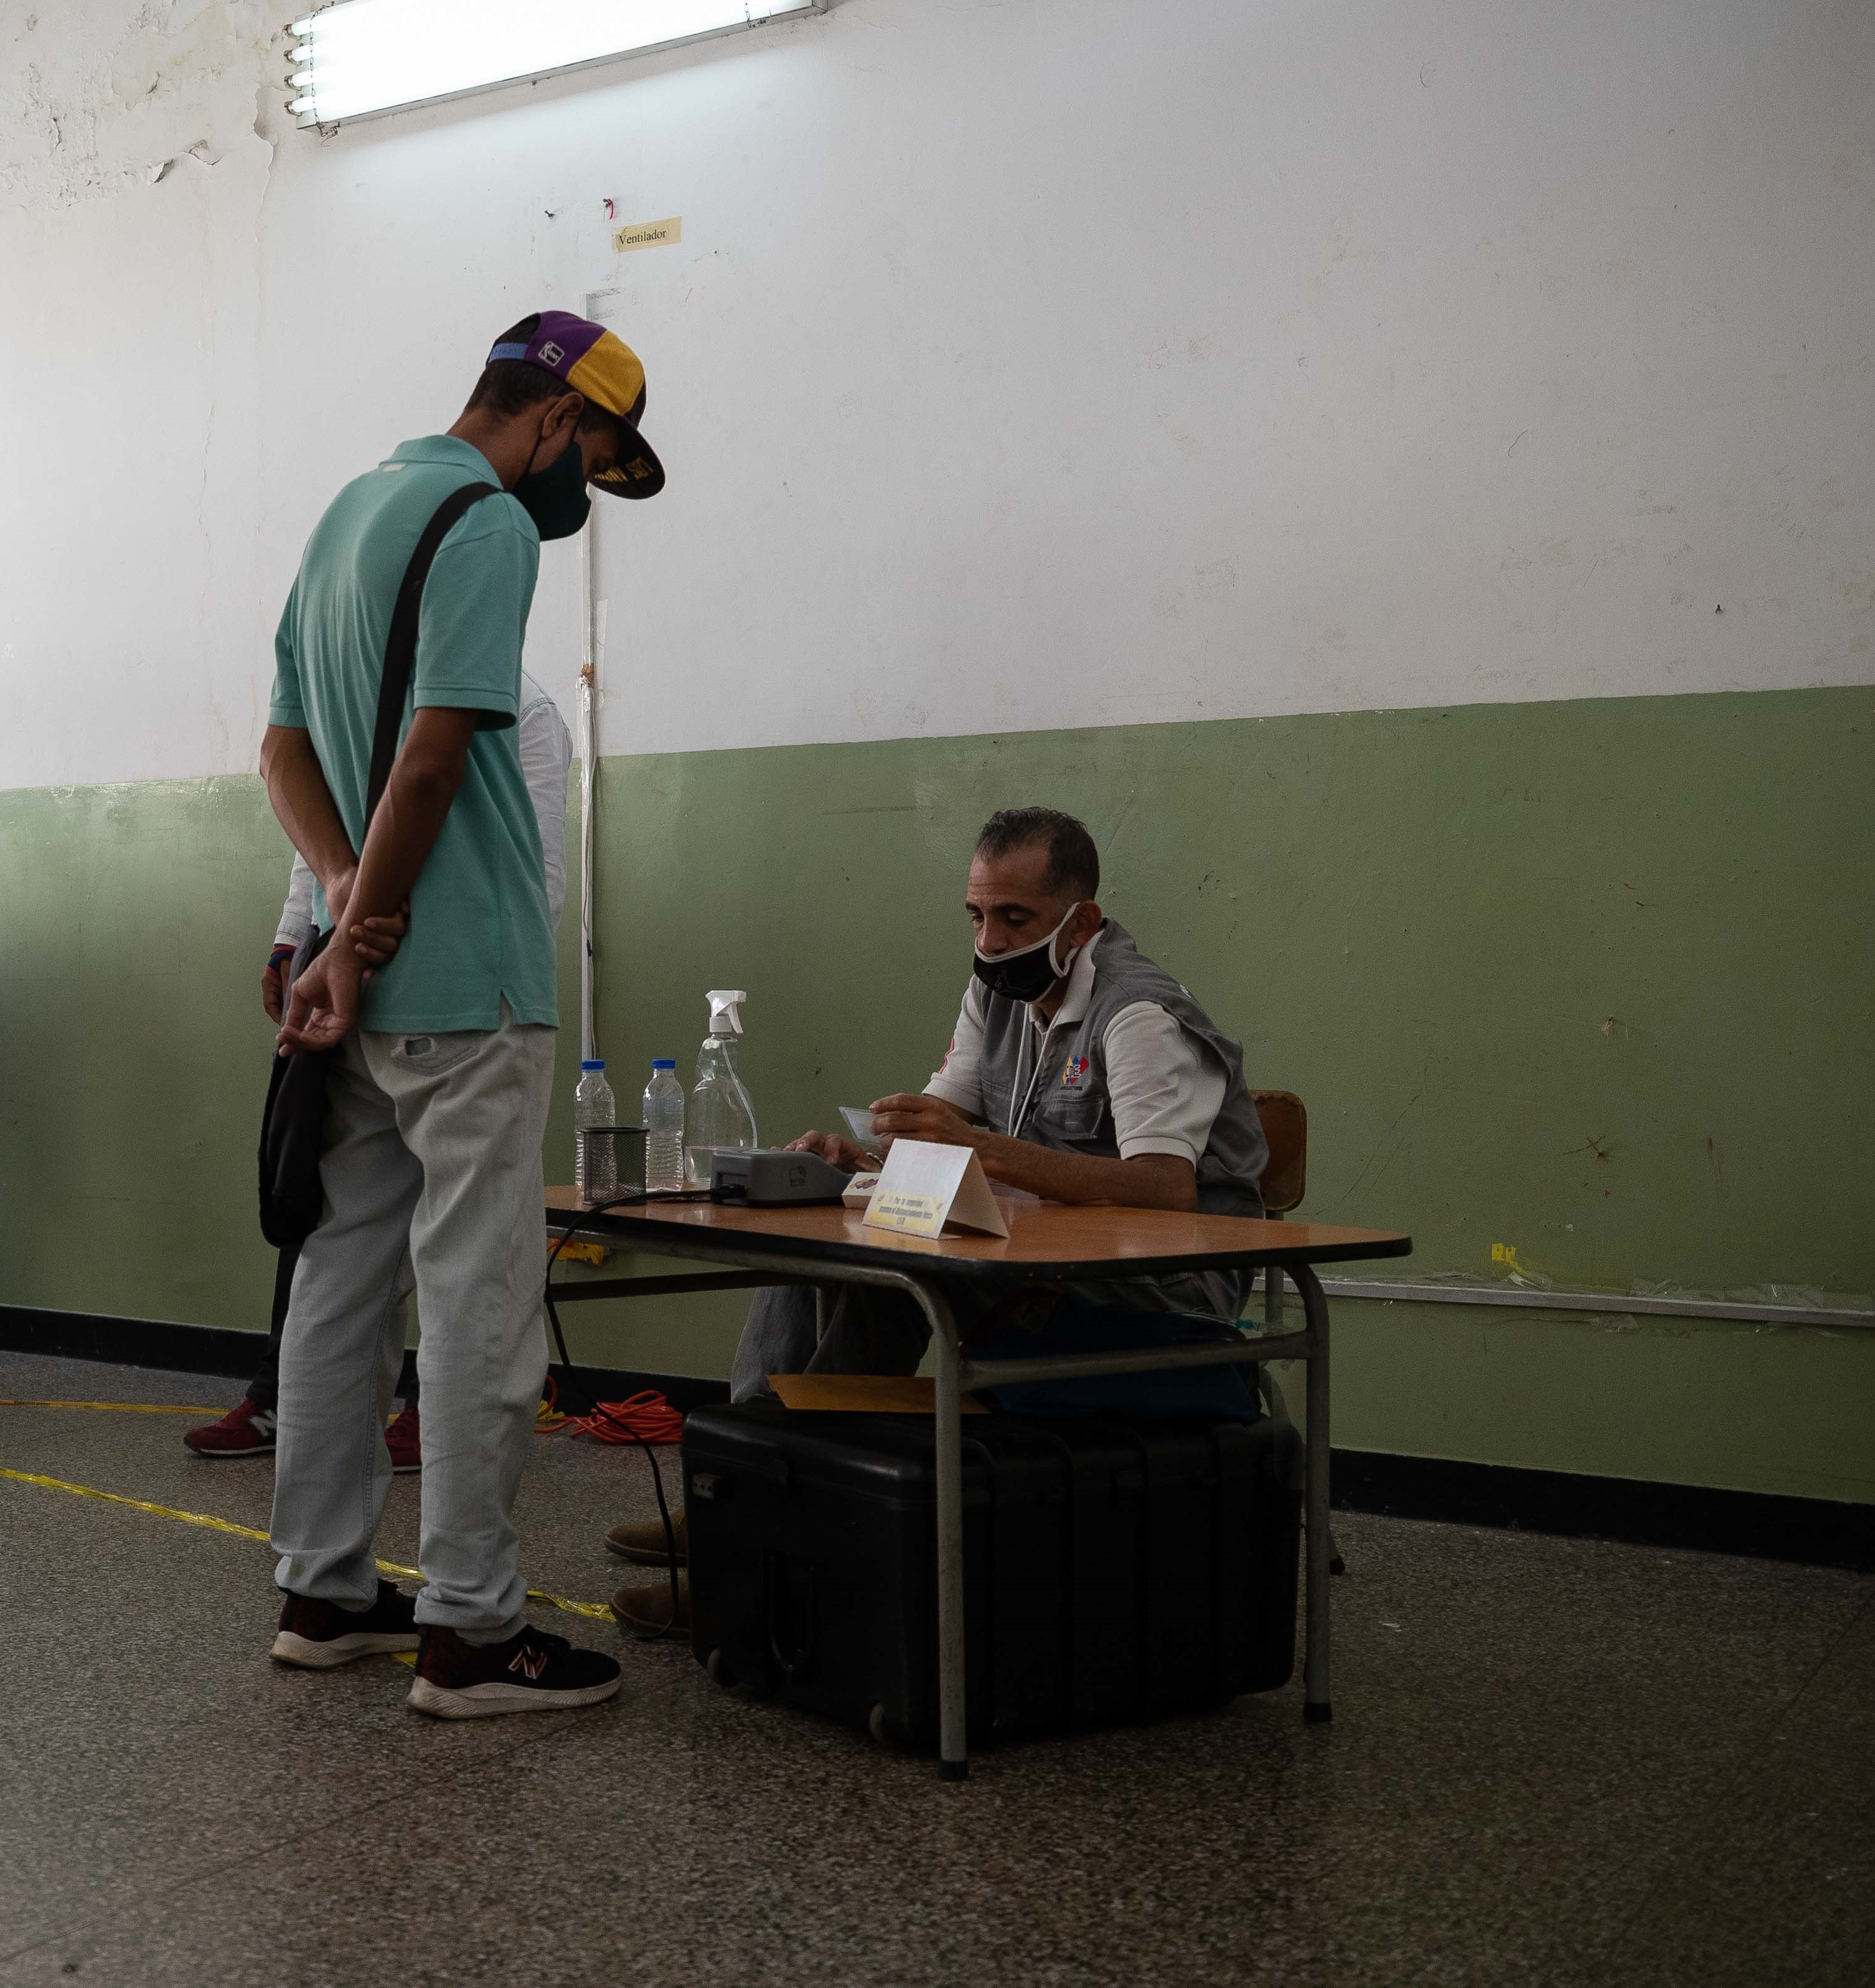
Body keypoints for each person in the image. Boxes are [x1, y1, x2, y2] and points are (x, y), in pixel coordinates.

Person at [256, 311, 665, 1717]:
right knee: (481, 1306)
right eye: (595, 459)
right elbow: (430, 764)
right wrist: (363, 937)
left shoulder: (349, 508)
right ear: (551, 417)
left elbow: (280, 746)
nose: (582, 497)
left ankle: (320, 1589)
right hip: (467, 985)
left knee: (340, 1287)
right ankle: (475, 1633)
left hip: (357, 998)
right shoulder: (483, 523)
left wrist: (329, 912)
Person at [605, 805, 1272, 1636]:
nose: (989, 941)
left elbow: (1165, 1188)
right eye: (978, 916)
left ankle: (751, 1543)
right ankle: (734, 1493)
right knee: (820, 1252)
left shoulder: (1138, 1017)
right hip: (1026, 1264)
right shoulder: (993, 998)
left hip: (1152, 1296)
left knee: (884, 1286)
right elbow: (943, 1129)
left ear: (1083, 922)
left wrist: (982, 1148)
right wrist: (862, 1159)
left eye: (1015, 918)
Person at [184, 668, 572, 1473]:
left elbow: (537, 880)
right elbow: (321, 842)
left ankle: (420, 1427)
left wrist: (375, 941)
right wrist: (295, 940)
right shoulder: (363, 697)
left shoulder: (525, 711)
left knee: (452, 1247)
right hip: (349, 988)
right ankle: (283, 1405)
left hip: (454, 998)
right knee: (326, 1224)